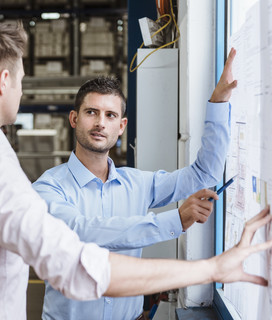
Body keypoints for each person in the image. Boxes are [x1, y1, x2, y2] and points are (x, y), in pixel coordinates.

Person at [0, 20, 272, 320]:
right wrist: (210, 268)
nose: (20, 88)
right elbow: (77, 264)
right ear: (3, 81)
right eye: (19, 79)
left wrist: (218, 105)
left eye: (110, 115)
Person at [31, 49, 238, 320]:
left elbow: (203, 174)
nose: (100, 123)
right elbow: (83, 233)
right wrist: (175, 220)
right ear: (74, 119)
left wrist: (219, 103)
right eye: (91, 112)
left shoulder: (138, 183)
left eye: (110, 115)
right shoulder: (48, 188)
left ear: (121, 126)